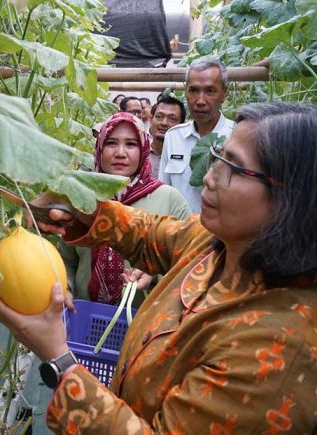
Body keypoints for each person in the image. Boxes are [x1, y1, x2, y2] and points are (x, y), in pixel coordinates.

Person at [0, 102, 317, 433]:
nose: (208, 177)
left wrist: (58, 356)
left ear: (294, 201)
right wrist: (77, 211)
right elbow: (151, 233)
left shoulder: (279, 351)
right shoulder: (224, 248)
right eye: (218, 158)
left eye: (232, 167)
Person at [59, 112, 190, 305]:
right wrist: (65, 290)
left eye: (131, 144)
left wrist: (154, 272)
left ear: (144, 149)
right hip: (82, 320)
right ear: (100, 148)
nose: (120, 152)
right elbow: (66, 260)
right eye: (111, 143)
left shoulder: (170, 200)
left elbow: (188, 266)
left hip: (143, 324)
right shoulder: (81, 197)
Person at [159, 56, 235, 212]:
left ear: (224, 93)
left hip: (220, 234)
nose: (200, 100)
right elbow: (164, 191)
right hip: (179, 231)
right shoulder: (173, 137)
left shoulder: (237, 137)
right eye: (194, 90)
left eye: (210, 91)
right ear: (185, 91)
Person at [148, 93, 186, 178]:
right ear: (151, 120)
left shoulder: (187, 155)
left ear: (182, 125)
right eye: (159, 116)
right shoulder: (139, 154)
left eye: (172, 119)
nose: (164, 123)